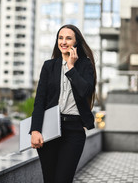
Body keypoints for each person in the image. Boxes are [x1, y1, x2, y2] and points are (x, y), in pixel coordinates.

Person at [29, 24, 97, 183]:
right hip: (49, 128)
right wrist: (35, 130)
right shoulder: (49, 66)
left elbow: (85, 92)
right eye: (60, 38)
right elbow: (40, 100)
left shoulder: (85, 65)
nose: (63, 42)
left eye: (68, 38)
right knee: (50, 179)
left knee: (63, 179)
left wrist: (71, 67)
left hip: (74, 131)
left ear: (76, 42)